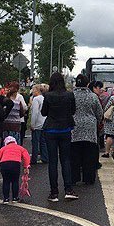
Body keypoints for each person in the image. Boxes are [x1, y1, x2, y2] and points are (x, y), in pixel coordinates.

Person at [42, 72, 78, 201]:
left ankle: (54, 192)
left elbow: (44, 112)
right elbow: (73, 111)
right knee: (66, 160)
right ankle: (68, 189)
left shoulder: (47, 95)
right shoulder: (69, 95)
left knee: (52, 161)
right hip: (65, 128)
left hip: (51, 129)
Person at [71, 75, 103, 185]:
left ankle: (74, 177)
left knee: (74, 154)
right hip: (89, 128)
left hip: (74, 128)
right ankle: (88, 178)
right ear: (87, 84)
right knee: (89, 155)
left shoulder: (71, 95)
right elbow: (99, 113)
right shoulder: (93, 96)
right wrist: (98, 121)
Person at [0, 136, 30, 203]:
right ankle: (15, 198)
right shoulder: (20, 148)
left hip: (4, 165)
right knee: (15, 181)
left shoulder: (3, 148)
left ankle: (6, 199)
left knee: (6, 181)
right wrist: (26, 167)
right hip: (15, 164)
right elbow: (26, 157)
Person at [30, 84, 49, 164]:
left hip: (37, 124)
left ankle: (34, 159)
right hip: (44, 122)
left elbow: (35, 113)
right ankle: (45, 157)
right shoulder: (44, 98)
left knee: (35, 142)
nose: (32, 91)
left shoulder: (36, 99)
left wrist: (32, 124)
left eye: (33, 90)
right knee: (43, 142)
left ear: (37, 90)